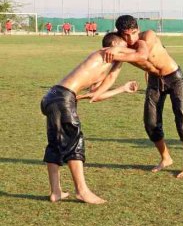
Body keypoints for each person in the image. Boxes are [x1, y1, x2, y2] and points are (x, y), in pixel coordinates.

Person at [41, 32, 139, 204]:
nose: (126, 50)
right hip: (62, 97)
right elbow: (135, 54)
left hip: (54, 97)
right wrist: (141, 45)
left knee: (56, 145)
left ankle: (55, 192)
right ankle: (82, 191)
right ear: (114, 44)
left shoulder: (105, 66)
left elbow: (96, 95)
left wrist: (122, 88)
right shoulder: (102, 53)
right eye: (124, 45)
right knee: (75, 143)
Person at [101, 15, 183, 178]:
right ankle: (166, 158)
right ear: (119, 33)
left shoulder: (148, 36)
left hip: (174, 78)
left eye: (133, 33)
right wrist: (95, 92)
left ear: (138, 29)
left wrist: (115, 53)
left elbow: (142, 56)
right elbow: (112, 75)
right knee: (151, 123)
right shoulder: (121, 46)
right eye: (125, 35)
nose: (130, 38)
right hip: (154, 81)